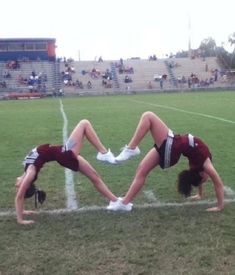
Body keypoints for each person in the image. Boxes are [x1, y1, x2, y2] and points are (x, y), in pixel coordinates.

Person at [15, 119, 131, 225]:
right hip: (65, 154)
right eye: (19, 187)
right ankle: (104, 153)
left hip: (64, 152)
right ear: (26, 186)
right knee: (84, 124)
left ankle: (115, 201)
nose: (16, 186)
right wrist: (20, 219)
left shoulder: (26, 171)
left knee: (94, 176)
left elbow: (21, 194)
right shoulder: (30, 173)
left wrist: (23, 210)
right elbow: (19, 197)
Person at [106, 111, 224, 212]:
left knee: (148, 116)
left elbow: (218, 183)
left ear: (202, 174)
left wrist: (219, 206)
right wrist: (200, 195)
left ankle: (131, 148)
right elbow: (202, 179)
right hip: (173, 147)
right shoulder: (199, 167)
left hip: (173, 146)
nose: (208, 178)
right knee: (141, 170)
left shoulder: (205, 166)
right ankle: (125, 203)